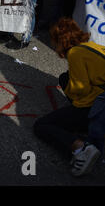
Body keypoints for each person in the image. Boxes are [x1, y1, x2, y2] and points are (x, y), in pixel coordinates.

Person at [34, 18, 105, 177]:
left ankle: (82, 149)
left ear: (60, 41)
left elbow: (81, 89)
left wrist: (76, 106)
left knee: (43, 125)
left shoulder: (75, 53)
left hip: (100, 105)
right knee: (64, 77)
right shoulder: (94, 46)